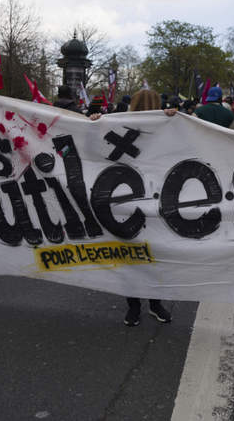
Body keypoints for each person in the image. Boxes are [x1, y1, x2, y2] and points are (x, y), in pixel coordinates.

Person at [90, 88, 174, 326]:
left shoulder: (161, 125)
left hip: (125, 200)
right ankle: (155, 305)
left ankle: (134, 308)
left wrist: (95, 121)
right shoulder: (122, 125)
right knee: (155, 256)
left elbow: (92, 147)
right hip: (154, 200)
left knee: (130, 257)